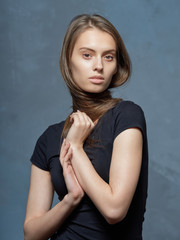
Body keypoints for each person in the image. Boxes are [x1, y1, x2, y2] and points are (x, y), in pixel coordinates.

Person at [24, 14, 148, 240]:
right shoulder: (49, 138)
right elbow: (31, 234)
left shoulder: (126, 116)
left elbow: (114, 210)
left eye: (108, 57)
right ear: (68, 61)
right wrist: (71, 199)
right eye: (87, 55)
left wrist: (75, 147)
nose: (98, 66)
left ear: (116, 66)